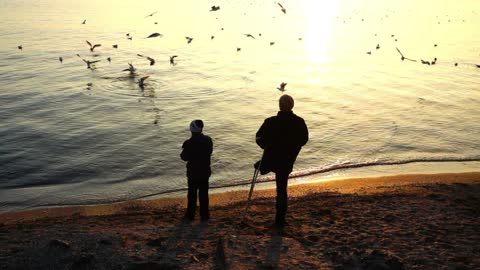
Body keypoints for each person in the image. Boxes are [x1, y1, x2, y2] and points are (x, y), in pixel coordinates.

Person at [255, 95, 308, 226]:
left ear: (279, 105)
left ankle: (264, 166)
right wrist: (293, 147)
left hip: (272, 157)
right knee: (282, 189)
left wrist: (266, 145)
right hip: (287, 159)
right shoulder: (299, 122)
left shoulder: (270, 121)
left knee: (278, 185)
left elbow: (258, 138)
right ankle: (280, 219)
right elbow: (304, 140)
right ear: (292, 106)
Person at [180, 120, 213, 221]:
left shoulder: (188, 143)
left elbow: (184, 157)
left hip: (193, 173)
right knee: (204, 194)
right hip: (205, 171)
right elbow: (210, 152)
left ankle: (190, 215)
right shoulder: (208, 140)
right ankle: (205, 215)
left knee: (192, 195)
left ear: (191, 129)